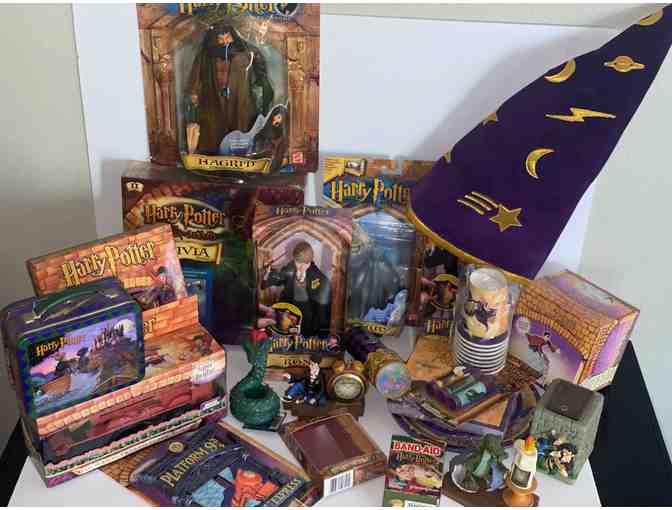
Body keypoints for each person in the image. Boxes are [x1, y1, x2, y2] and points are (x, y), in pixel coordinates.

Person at [185, 23, 274, 155]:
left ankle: (242, 151)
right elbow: (196, 74)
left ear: (233, 36)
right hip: (213, 97)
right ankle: (212, 153)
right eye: (221, 39)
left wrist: (261, 81)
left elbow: (259, 64)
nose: (225, 41)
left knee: (241, 125)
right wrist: (194, 92)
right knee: (214, 127)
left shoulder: (245, 51)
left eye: (228, 37)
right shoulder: (206, 54)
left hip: (240, 96)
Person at [261, 242, 331, 338]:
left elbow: (322, 310)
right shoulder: (290, 268)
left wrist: (322, 335)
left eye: (305, 264)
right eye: (298, 263)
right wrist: (267, 272)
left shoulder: (321, 279)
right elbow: (270, 282)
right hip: (286, 316)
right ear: (294, 260)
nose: (301, 267)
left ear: (310, 261)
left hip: (306, 322)